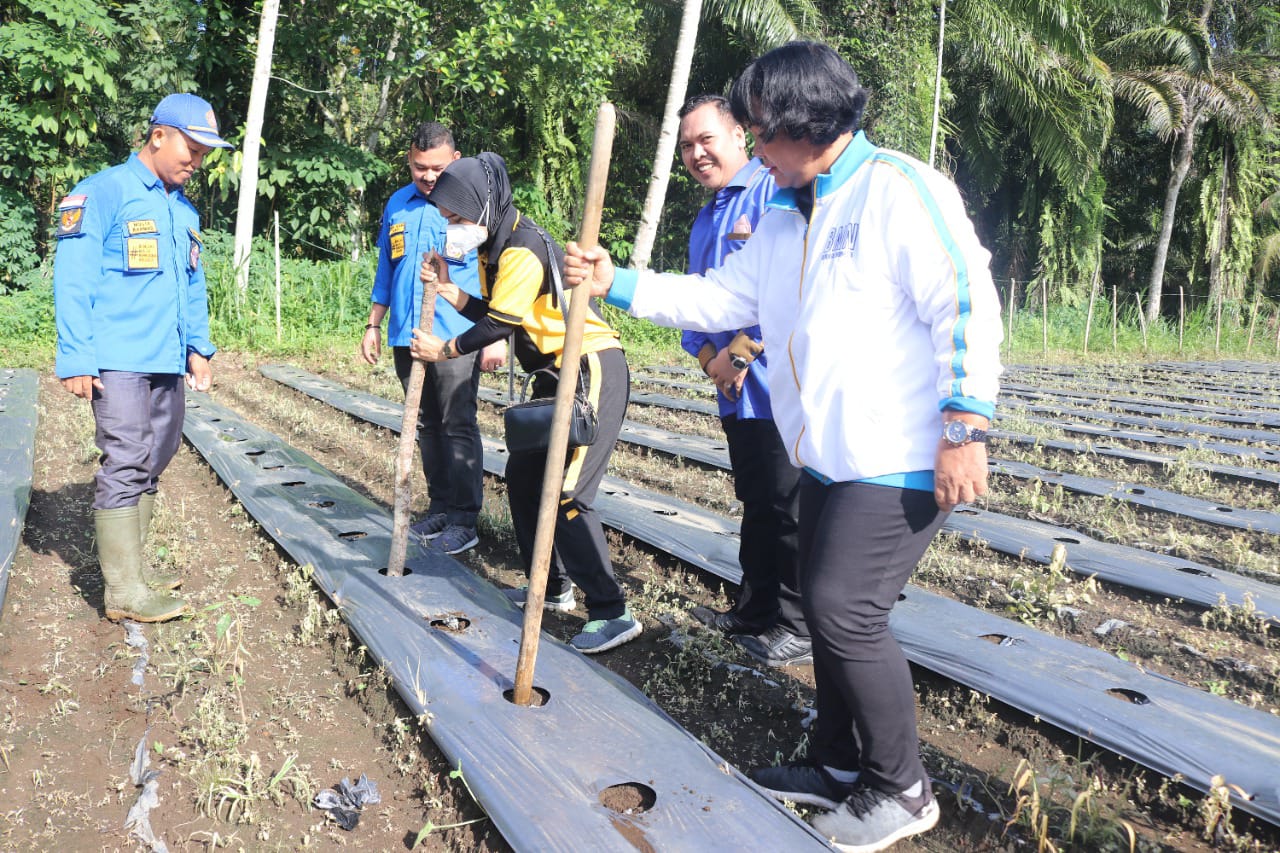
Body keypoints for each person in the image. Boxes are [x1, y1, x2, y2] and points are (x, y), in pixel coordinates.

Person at [565, 42, 1002, 851]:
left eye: (761, 133)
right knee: (831, 604)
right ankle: (837, 763)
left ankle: (900, 787)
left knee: (843, 609)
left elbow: (966, 300)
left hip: (900, 450)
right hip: (829, 454)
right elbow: (722, 296)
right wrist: (615, 279)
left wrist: (965, 426)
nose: (753, 149)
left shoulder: (896, 190)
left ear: (807, 124)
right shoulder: (786, 213)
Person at [408, 152, 639, 654]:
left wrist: (443, 349)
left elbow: (500, 327)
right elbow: (499, 310)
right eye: (447, 219)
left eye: (458, 218)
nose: (453, 228)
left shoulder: (520, 248)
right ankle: (550, 586)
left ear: (484, 206)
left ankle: (612, 610)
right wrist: (449, 290)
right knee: (525, 479)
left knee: (568, 491)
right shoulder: (500, 244)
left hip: (589, 367)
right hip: (551, 374)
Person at [53, 93, 234, 623]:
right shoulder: (102, 192)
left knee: (160, 451)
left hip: (164, 357)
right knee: (127, 459)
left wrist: (198, 348)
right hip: (117, 358)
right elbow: (74, 280)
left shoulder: (184, 210)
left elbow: (193, 286)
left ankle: (133, 572)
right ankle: (124, 593)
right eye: (191, 149)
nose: (196, 162)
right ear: (159, 135)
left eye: (203, 154)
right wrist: (76, 357)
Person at [675, 93, 810, 668]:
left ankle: (799, 624)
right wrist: (712, 361)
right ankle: (754, 610)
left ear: (738, 137)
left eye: (706, 139)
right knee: (756, 500)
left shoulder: (773, 194)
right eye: (687, 146)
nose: (697, 153)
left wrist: (744, 349)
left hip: (776, 384)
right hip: (733, 391)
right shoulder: (707, 216)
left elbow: (790, 283)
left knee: (790, 508)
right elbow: (692, 303)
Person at [360, 122, 506, 556]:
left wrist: (496, 334)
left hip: (455, 333)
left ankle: (465, 517)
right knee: (425, 423)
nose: (427, 176)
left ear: (455, 160)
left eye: (437, 168)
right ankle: (440, 505)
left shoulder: (472, 206)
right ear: (409, 160)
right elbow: (386, 269)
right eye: (419, 167)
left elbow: (493, 267)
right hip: (407, 331)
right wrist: (373, 324)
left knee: (457, 421)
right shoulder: (397, 205)